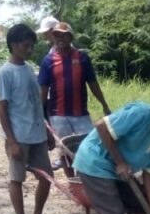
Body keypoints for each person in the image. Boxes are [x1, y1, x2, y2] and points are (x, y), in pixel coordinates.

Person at [0, 24, 60, 214]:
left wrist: (48, 131)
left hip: (37, 134)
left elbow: (36, 104)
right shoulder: (5, 72)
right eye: (26, 45)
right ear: (13, 45)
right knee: (17, 178)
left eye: (32, 45)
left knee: (46, 177)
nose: (29, 49)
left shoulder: (29, 70)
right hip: (19, 135)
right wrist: (12, 141)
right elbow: (2, 108)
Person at [38, 21, 111, 154]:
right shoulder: (48, 61)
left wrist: (104, 105)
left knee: (89, 148)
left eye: (64, 35)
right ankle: (71, 175)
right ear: (53, 38)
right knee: (65, 151)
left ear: (71, 37)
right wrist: (39, 114)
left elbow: (93, 84)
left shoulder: (83, 58)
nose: (60, 39)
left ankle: (84, 175)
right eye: (57, 36)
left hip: (81, 115)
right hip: (58, 115)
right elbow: (43, 90)